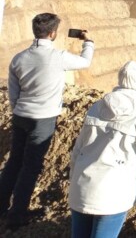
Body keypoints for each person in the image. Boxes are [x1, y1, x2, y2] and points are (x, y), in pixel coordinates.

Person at [0, 13, 94, 228]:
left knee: (14, 161)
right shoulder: (58, 57)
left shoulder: (19, 58)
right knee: (31, 166)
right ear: (52, 34)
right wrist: (88, 41)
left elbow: (13, 94)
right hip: (42, 119)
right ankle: (17, 216)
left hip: (21, 115)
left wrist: (19, 110)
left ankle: (1, 206)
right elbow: (85, 61)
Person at [68, 61, 136, 238]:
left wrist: (74, 180)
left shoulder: (97, 106)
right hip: (112, 195)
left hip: (81, 187)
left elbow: (78, 149)